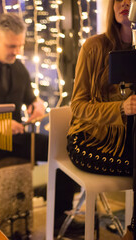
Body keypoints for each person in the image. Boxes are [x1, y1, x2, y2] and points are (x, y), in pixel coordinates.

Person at [0, 12, 79, 231]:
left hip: (16, 138)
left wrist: (37, 104)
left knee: (64, 148)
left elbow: (31, 99)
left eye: (20, 46)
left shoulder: (19, 68)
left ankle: (60, 217)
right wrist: (0, 126)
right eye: (12, 46)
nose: (17, 52)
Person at [67, 0, 135, 236]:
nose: (124, 2)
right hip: (90, 140)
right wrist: (121, 109)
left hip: (128, 142)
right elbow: (77, 106)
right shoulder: (94, 47)